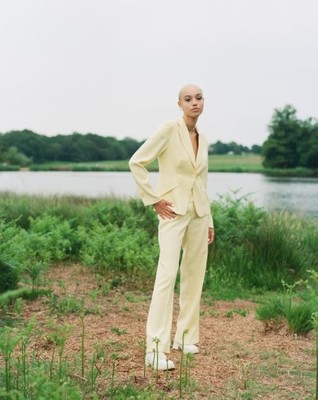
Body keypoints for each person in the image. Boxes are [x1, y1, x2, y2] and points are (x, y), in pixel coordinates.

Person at [129, 83, 214, 370]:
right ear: (179, 104)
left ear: (204, 102)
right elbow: (136, 162)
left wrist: (209, 219)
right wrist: (153, 200)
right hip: (172, 212)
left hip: (199, 214)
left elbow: (202, 180)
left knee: (193, 274)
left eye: (199, 98)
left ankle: (185, 336)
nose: (194, 103)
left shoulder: (202, 137)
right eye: (188, 99)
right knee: (166, 275)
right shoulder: (168, 129)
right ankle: (155, 348)